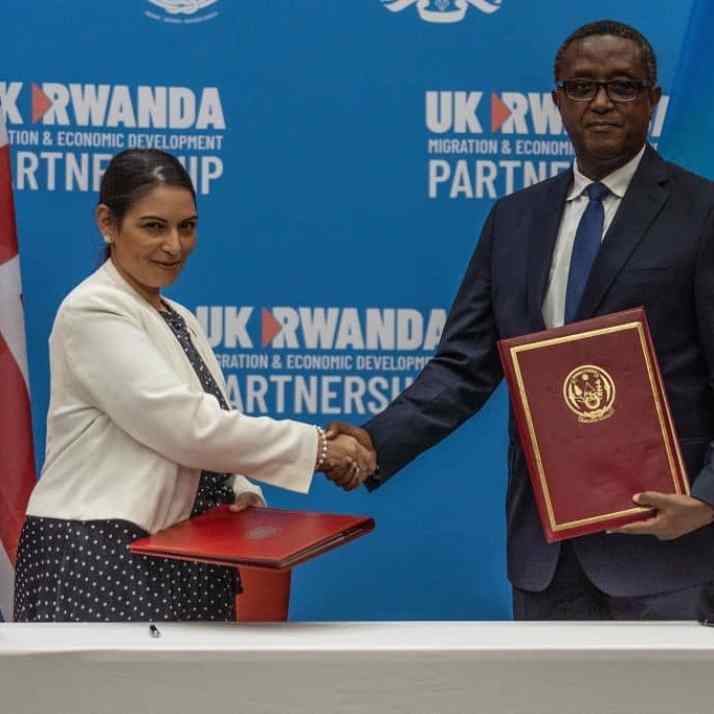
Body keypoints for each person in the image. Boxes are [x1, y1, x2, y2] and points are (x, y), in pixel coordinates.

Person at [329, 19, 714, 620]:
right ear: (558, 101)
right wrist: (375, 442)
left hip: (669, 542)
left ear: (653, 100)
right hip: (546, 551)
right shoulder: (514, 219)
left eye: (623, 86)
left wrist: (707, 499)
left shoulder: (703, 213)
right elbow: (463, 368)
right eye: (582, 87)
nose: (602, 102)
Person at [14, 148, 375, 623]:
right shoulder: (93, 309)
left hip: (182, 556)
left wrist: (238, 491)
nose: (174, 245)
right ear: (107, 223)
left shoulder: (179, 317)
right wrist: (320, 449)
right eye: (153, 226)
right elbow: (186, 428)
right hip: (99, 553)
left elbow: (210, 432)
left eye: (187, 227)